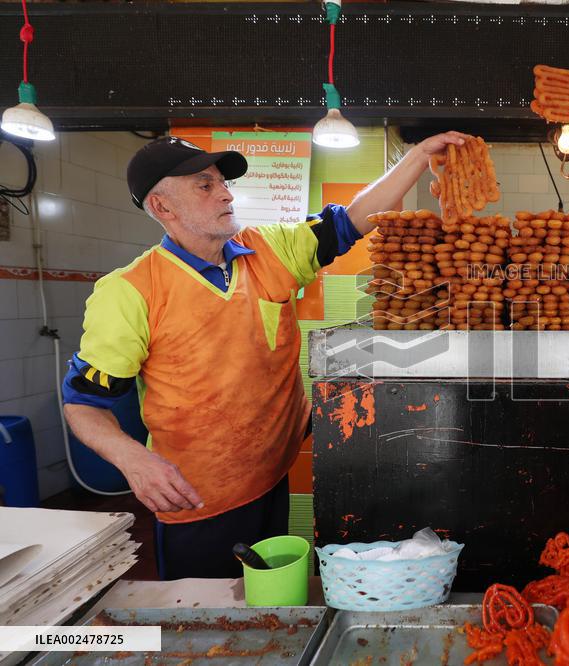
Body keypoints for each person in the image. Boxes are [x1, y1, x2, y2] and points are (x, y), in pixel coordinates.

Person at [62, 132, 468, 579]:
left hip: (272, 478)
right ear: (162, 207)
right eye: (205, 185)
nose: (225, 193)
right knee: (208, 624)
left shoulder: (266, 252)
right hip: (199, 501)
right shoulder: (131, 290)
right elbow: (84, 405)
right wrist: (135, 461)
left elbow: (353, 219)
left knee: (271, 600)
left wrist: (417, 157)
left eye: (222, 181)